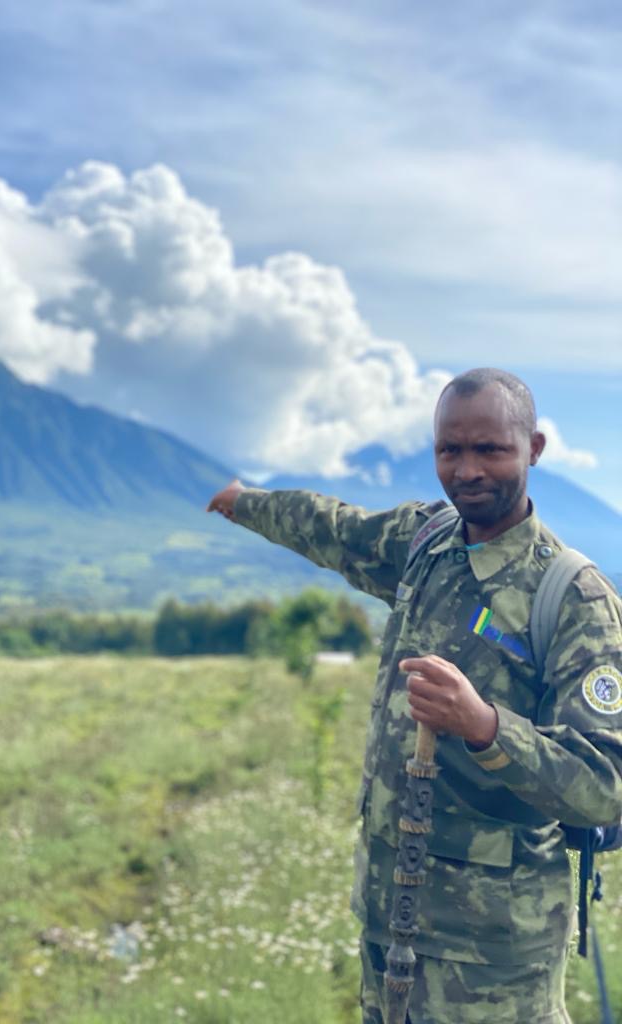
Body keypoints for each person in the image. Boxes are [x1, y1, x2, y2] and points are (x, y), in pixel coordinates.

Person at [207, 368, 622, 1023]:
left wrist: (485, 726)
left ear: (534, 449)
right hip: (390, 928)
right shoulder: (425, 543)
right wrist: (247, 502)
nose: (467, 470)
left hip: (491, 961)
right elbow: (336, 528)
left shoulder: (571, 598)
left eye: (491, 449)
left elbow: (604, 784)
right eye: (448, 451)